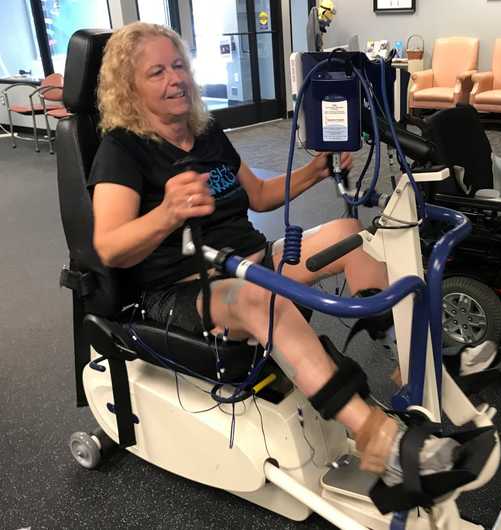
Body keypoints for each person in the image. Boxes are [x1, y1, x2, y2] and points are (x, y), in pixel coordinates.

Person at [89, 22, 457, 488]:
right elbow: (109, 247)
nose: (174, 79)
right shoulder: (121, 150)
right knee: (262, 300)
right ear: (130, 88)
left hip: (251, 260)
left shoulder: (206, 133)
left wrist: (315, 171)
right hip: (182, 290)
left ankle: (408, 363)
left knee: (348, 234)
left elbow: (259, 195)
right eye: (156, 72)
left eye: (179, 65)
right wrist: (166, 213)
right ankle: (374, 439)